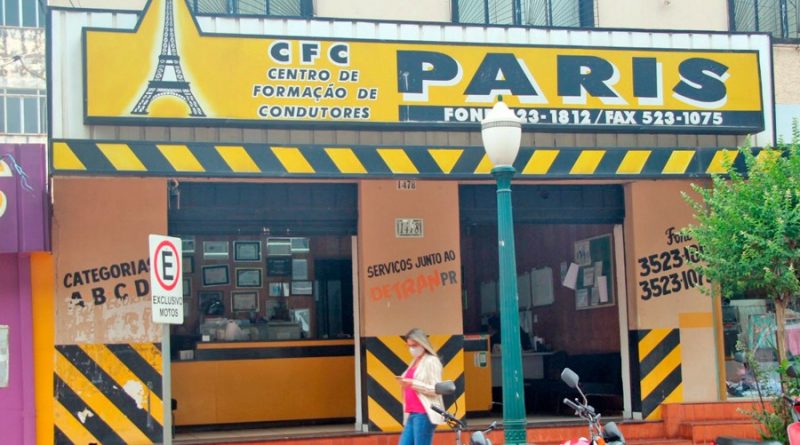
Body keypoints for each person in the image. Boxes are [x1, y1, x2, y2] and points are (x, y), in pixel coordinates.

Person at [397, 328, 445, 445]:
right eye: (409, 346)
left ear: (423, 344)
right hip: (412, 412)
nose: (412, 349)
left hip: (424, 413)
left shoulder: (431, 361)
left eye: (414, 345)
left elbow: (436, 389)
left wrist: (413, 384)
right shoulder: (414, 361)